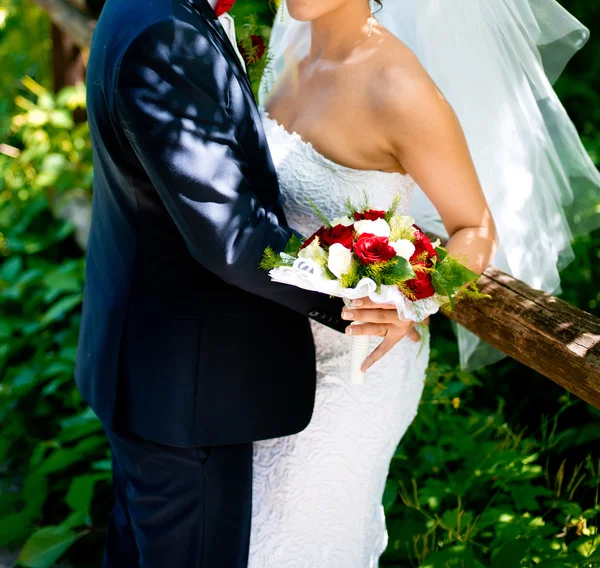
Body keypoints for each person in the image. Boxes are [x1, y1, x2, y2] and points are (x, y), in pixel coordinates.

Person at [250, 0, 598, 565]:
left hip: (352, 372)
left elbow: (474, 226)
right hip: (261, 357)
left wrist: (414, 300)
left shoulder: (397, 85)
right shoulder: (290, 47)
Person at [74, 0, 419, 566]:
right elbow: (231, 238)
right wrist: (358, 298)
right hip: (187, 388)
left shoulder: (142, 9)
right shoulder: (166, 36)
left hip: (155, 366)